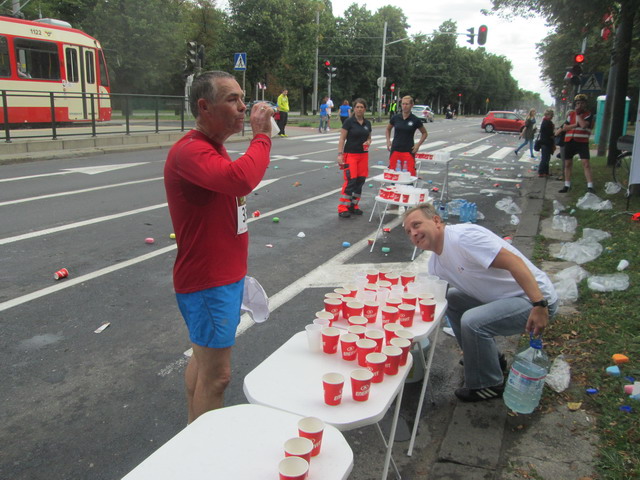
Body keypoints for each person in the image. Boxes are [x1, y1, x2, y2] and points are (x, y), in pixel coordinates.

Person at [164, 71, 273, 423]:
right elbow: (240, 178)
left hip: (221, 277)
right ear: (203, 106)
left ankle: (193, 436)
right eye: (232, 99)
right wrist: (262, 138)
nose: (243, 107)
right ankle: (204, 455)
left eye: (243, 99)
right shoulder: (191, 150)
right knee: (217, 376)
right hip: (208, 282)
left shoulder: (213, 147)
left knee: (202, 362)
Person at [403, 203, 558, 402]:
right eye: (408, 232)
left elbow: (514, 262)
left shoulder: (463, 238)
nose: (413, 233)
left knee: (472, 322)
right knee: (452, 298)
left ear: (436, 220)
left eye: (416, 225)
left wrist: (539, 304)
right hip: (507, 299)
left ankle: (488, 384)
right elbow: (431, 300)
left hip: (533, 299)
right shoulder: (435, 265)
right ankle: (489, 360)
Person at [336, 98, 372, 218]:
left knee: (360, 181)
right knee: (351, 181)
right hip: (351, 154)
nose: (359, 109)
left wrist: (368, 142)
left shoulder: (367, 123)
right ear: (354, 108)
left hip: (363, 155)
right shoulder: (349, 122)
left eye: (362, 107)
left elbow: (369, 137)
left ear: (365, 109)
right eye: (357, 107)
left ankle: (353, 205)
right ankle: (342, 208)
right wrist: (340, 154)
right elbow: (342, 138)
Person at [558, 94, 595, 193]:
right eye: (578, 103)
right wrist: (575, 125)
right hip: (569, 141)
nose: (579, 105)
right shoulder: (571, 115)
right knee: (567, 164)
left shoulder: (588, 114)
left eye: (581, 103)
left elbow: (583, 125)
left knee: (586, 163)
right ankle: (567, 185)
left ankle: (590, 186)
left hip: (582, 142)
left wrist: (578, 115)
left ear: (585, 104)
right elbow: (565, 127)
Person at [386, 95, 427, 176]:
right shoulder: (395, 118)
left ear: (411, 105)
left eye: (407, 104)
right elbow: (388, 129)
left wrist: (418, 145)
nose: (404, 106)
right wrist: (388, 141)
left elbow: (424, 133)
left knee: (408, 175)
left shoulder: (415, 120)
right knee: (394, 175)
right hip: (395, 149)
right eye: (403, 104)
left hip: (408, 150)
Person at [537, 109, 555, 177]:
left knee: (546, 158)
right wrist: (553, 134)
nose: (552, 117)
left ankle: (545, 172)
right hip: (546, 142)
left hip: (545, 142)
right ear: (547, 115)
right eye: (551, 115)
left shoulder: (546, 121)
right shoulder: (546, 122)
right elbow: (549, 133)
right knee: (545, 158)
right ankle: (542, 172)